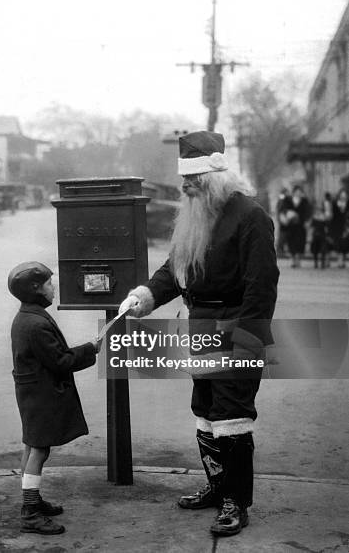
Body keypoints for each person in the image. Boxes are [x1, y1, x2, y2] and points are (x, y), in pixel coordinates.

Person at [118, 131, 279, 537]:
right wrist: (145, 298)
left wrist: (247, 342)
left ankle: (235, 502)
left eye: (195, 179)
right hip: (201, 326)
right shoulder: (195, 215)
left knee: (233, 416)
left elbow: (262, 286)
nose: (186, 187)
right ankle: (218, 485)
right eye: (184, 180)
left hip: (237, 327)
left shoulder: (251, 217)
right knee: (206, 411)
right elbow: (175, 271)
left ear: (218, 175)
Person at [8, 261, 101, 535]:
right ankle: (30, 512)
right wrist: (91, 349)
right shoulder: (36, 324)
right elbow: (60, 361)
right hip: (41, 395)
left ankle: (33, 500)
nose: (54, 287)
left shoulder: (26, 316)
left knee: (31, 446)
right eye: (49, 284)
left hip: (31, 392)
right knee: (40, 449)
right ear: (36, 289)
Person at [282, 185, 311, 268]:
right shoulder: (287, 200)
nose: (298, 193)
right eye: (297, 191)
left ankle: (298, 259)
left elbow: (308, 212)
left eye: (300, 192)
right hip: (290, 225)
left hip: (301, 226)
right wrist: (289, 215)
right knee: (290, 242)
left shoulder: (305, 201)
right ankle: (292, 259)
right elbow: (284, 210)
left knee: (300, 242)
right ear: (294, 192)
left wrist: (307, 221)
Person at [329, 188, 349, 268]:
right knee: (339, 244)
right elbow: (332, 215)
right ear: (339, 195)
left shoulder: (348, 204)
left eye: (345, 195)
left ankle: (343, 260)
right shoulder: (334, 203)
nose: (343, 196)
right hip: (337, 226)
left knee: (345, 244)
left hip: (346, 226)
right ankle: (340, 261)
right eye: (342, 195)